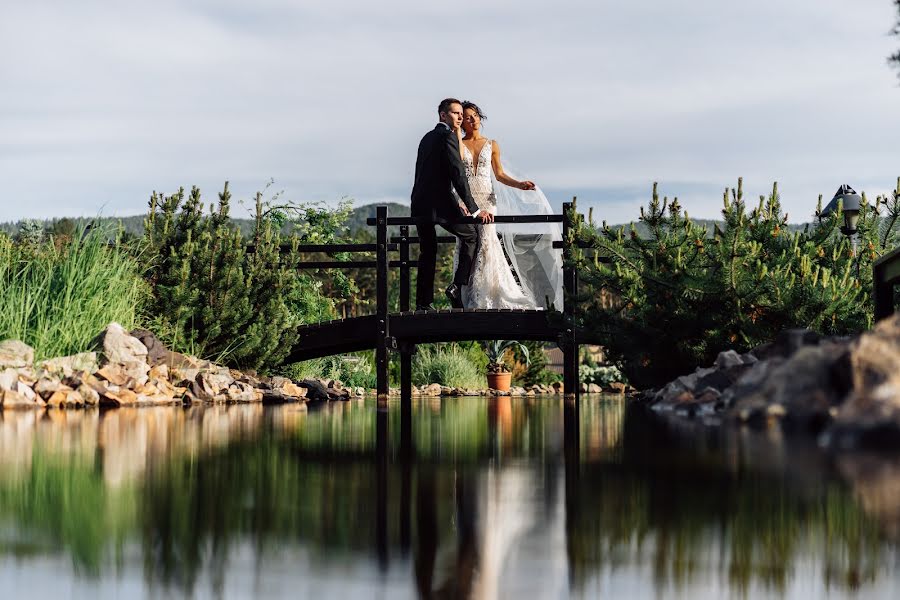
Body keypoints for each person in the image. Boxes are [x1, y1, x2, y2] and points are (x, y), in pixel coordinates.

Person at [454, 101, 563, 310]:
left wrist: (519, 185)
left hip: (488, 200)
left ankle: (489, 293)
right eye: (467, 117)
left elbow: (500, 175)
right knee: (466, 242)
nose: (473, 119)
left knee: (486, 241)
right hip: (467, 202)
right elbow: (456, 172)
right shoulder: (459, 143)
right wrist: (461, 203)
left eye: (475, 115)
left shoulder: (491, 144)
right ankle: (464, 293)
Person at [411, 98, 493, 310]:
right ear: (443, 115)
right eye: (455, 113)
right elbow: (458, 175)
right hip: (441, 204)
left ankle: (423, 304)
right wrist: (474, 209)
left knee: (427, 252)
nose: (459, 117)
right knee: (471, 236)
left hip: (419, 203)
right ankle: (457, 286)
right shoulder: (447, 137)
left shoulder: (426, 138)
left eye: (460, 114)